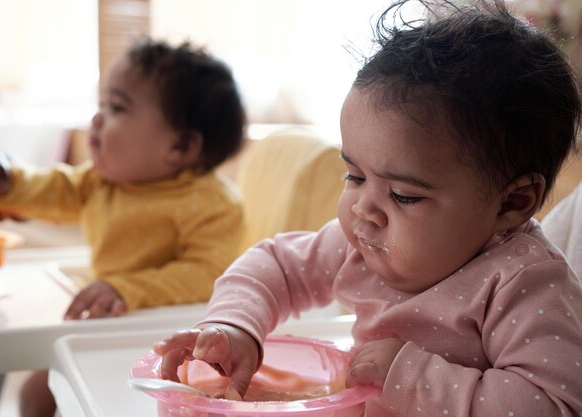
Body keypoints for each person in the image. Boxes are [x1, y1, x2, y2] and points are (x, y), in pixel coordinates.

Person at [152, 1, 582, 416]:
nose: (364, 210)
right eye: (354, 176)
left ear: (514, 201)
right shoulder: (361, 241)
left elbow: (553, 405)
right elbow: (274, 266)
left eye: (404, 195)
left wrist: (409, 375)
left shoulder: (523, 283)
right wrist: (235, 327)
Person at [0, 38, 246, 417]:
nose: (97, 118)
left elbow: (208, 274)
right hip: (104, 329)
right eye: (101, 105)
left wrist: (124, 289)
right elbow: (38, 188)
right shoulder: (100, 183)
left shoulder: (214, 204)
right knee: (34, 394)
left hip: (170, 345)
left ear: (181, 146)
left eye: (117, 108)